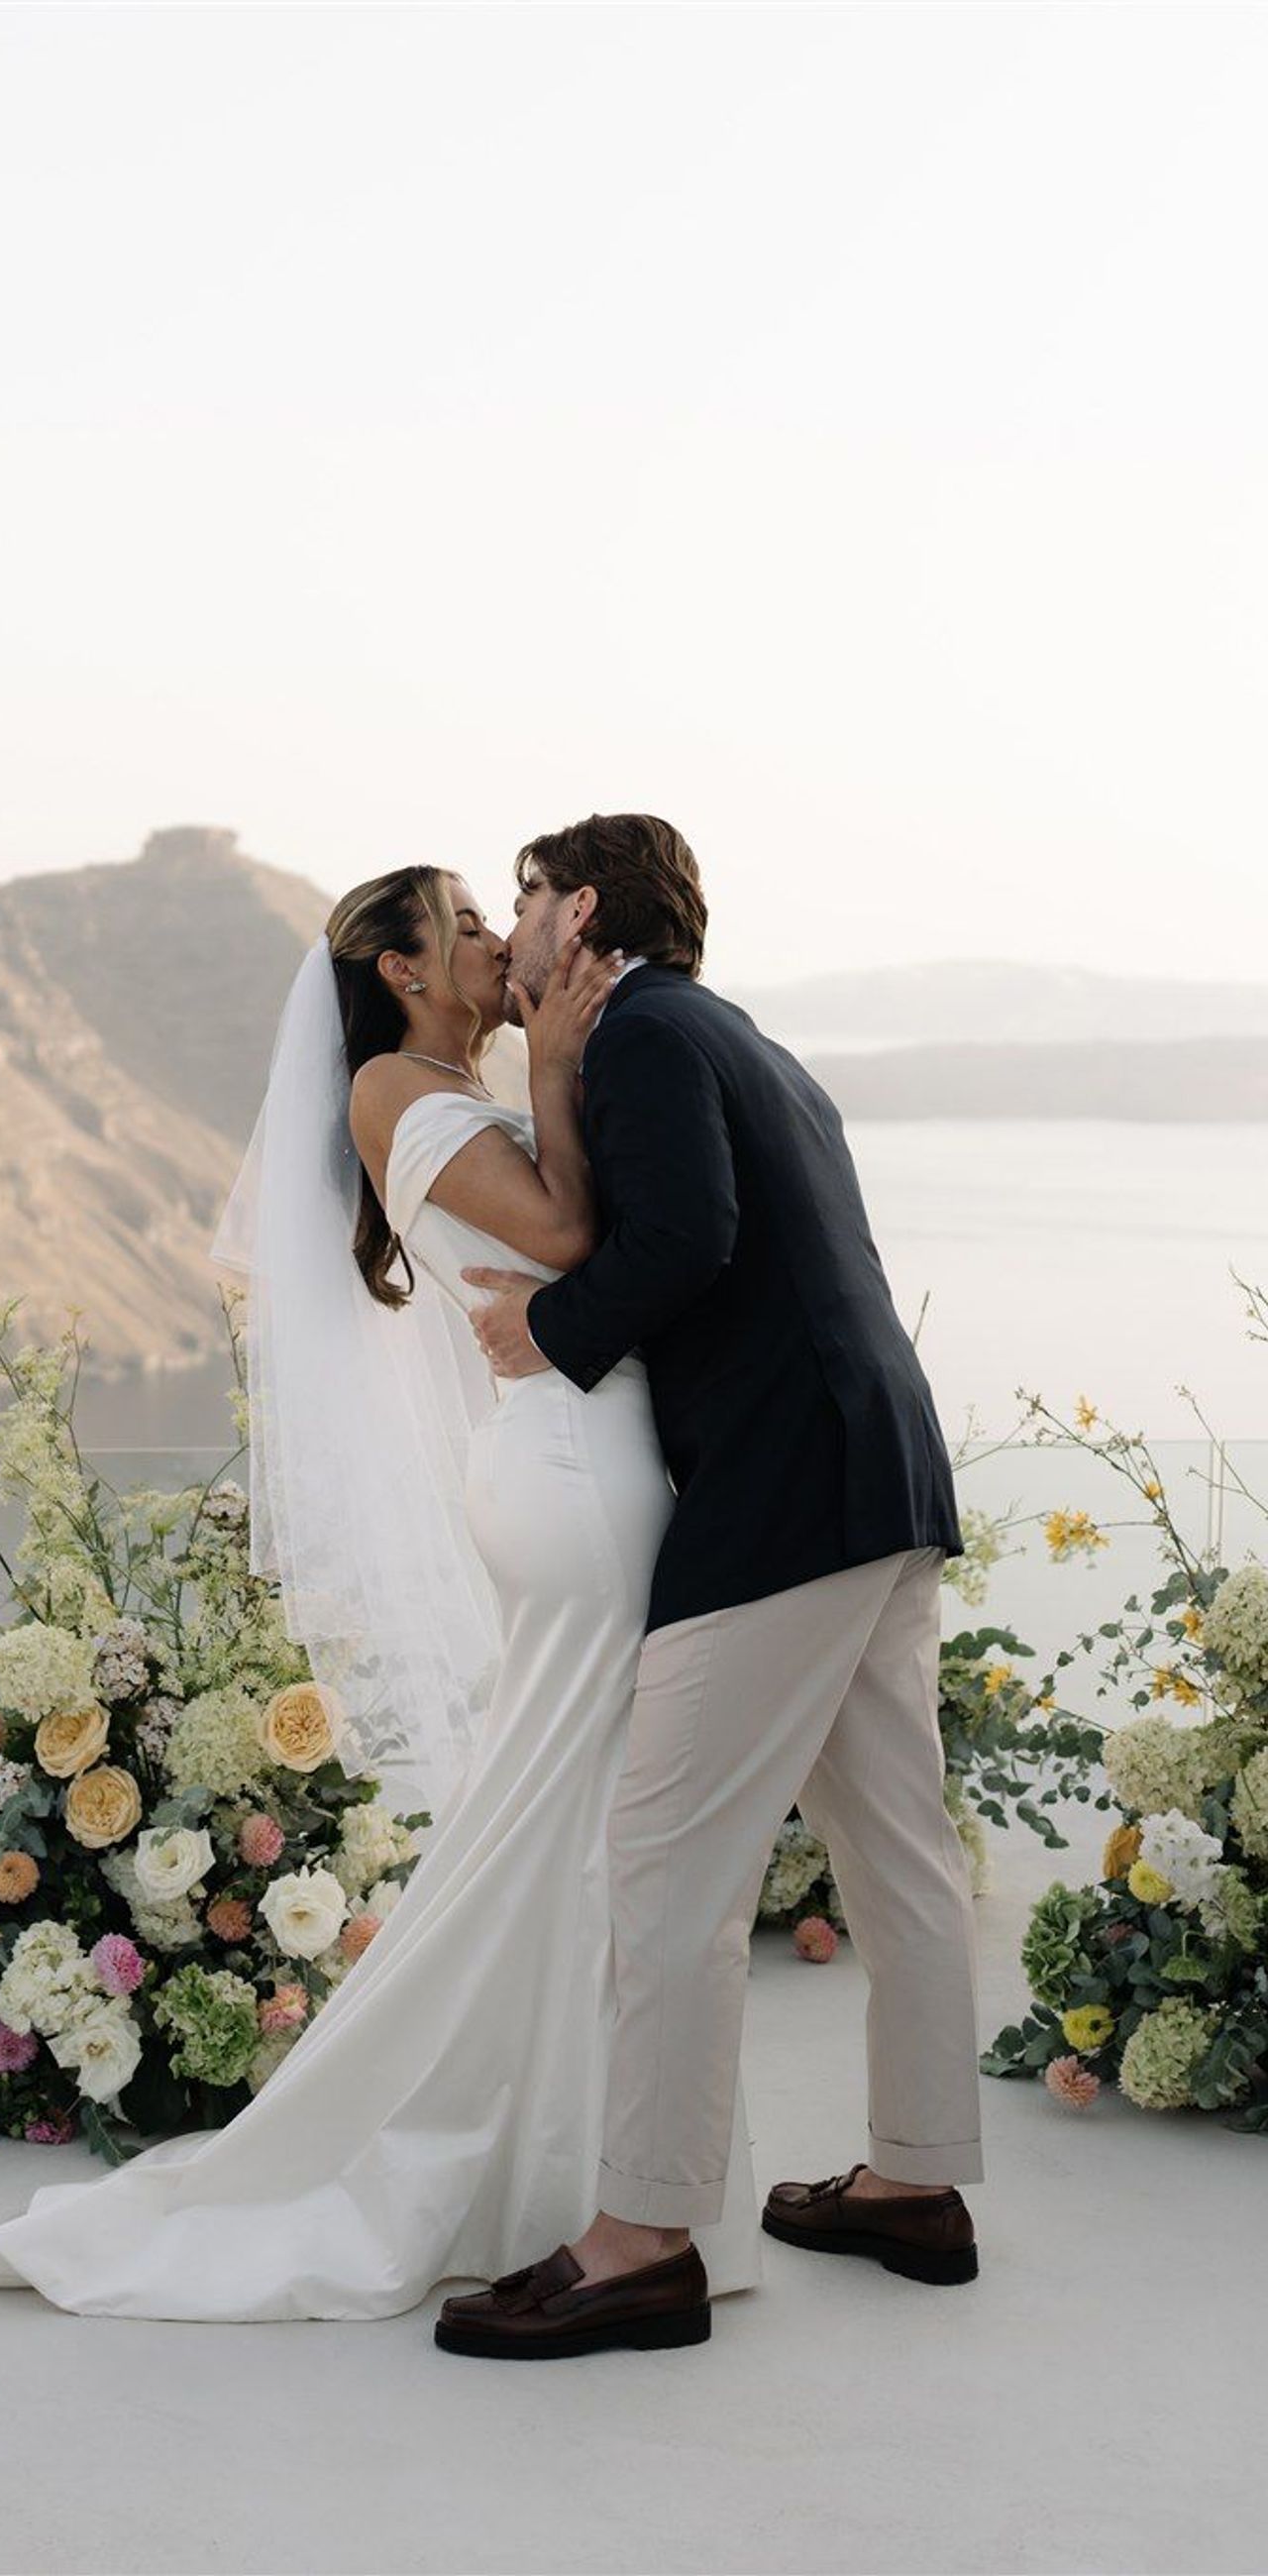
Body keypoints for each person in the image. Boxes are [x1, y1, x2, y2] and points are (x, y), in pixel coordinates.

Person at [0, 861, 762, 2322]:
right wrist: (571, 1062)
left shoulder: (451, 1080)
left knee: (573, 1830)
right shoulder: (398, 1091)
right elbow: (573, 1240)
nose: (485, 937)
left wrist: (552, 1063)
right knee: (569, 1836)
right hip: (574, 1484)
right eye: (460, 920)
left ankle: (596, 2179)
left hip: (576, 1469)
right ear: (400, 968)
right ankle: (554, 2185)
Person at [435, 811, 983, 2364]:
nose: (518, 921)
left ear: (581, 908)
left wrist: (547, 1331)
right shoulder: (744, 1039)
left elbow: (686, 1238)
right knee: (898, 1848)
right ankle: (917, 2184)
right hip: (882, 1468)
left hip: (781, 1492)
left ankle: (640, 2240)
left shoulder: (644, 1038)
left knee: (663, 1858)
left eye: (527, 894)